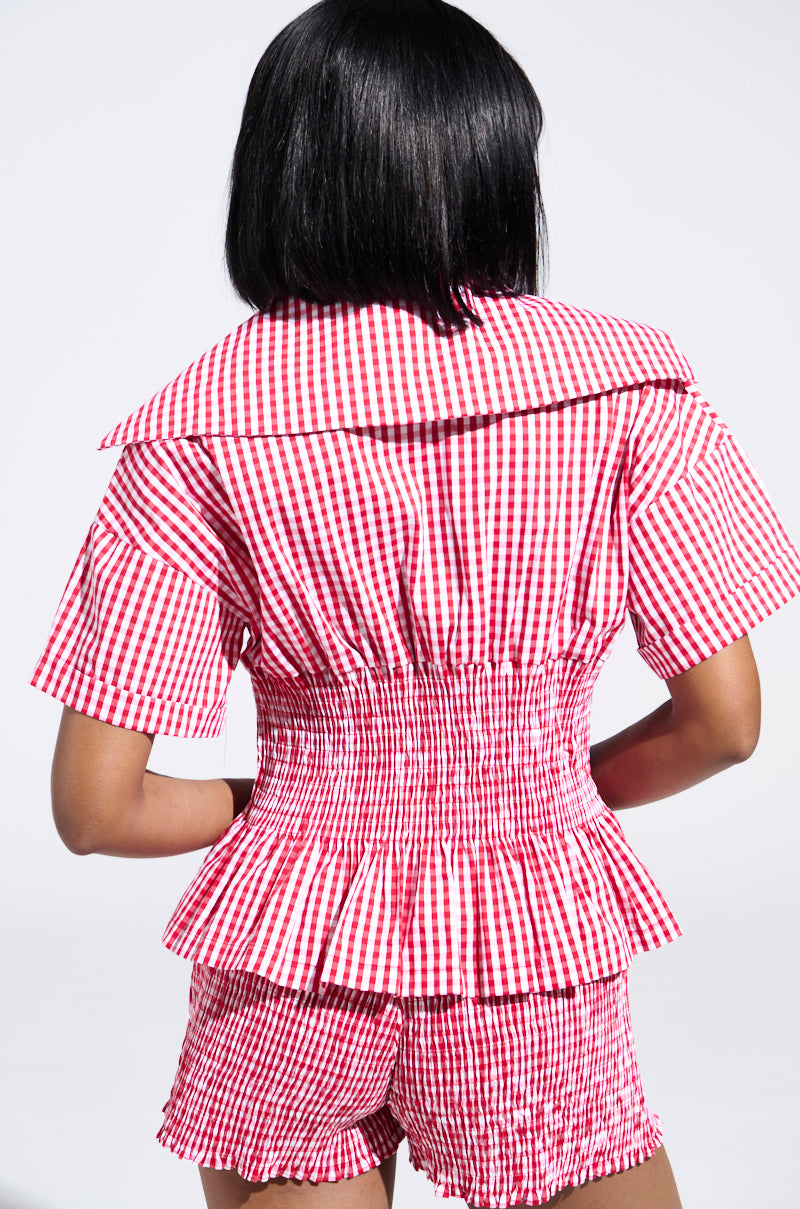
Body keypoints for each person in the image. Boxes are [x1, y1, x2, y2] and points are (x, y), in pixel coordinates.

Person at [29, 1, 800, 1207]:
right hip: (528, 954)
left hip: (288, 954)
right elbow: (725, 724)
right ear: (496, 166)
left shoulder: (193, 430)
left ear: (277, 175)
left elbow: (95, 808)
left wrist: (273, 804)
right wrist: (542, 798)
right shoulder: (630, 391)